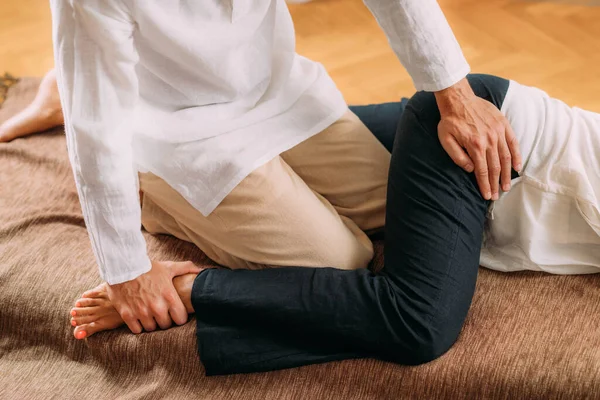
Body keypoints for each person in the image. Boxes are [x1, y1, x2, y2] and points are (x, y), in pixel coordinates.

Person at [4, 72, 599, 375]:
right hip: (496, 155)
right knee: (417, 321)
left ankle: (79, 91)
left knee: (279, 152)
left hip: (511, 144)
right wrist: (127, 269)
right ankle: (189, 285)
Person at [1, 0, 525, 338]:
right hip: (177, 132)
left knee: (412, 206)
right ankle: (150, 190)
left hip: (282, 97)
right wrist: (126, 272)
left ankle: (62, 86)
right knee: (342, 261)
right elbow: (100, 125)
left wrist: (456, 96)